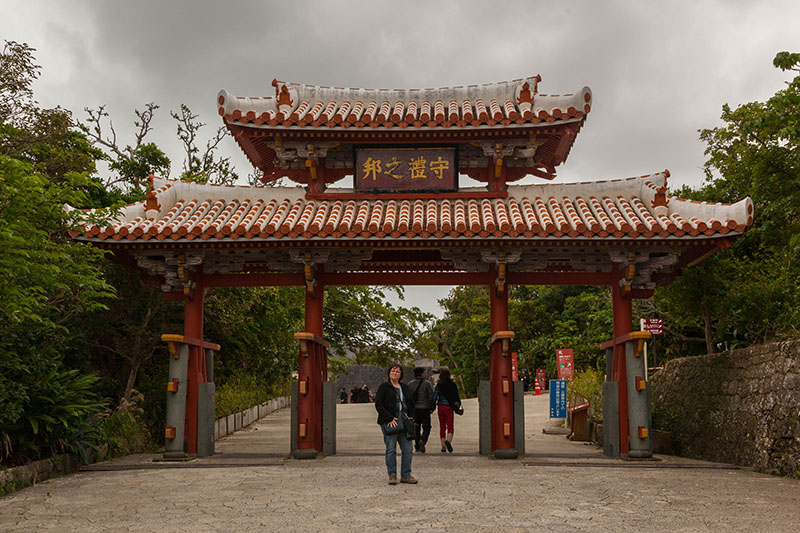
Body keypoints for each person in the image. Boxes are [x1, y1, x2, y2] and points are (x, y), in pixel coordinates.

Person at [375, 364, 417, 485]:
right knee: (391, 449)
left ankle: (406, 475)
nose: (395, 373)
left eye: (398, 371)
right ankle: (392, 475)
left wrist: (411, 416)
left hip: (404, 420)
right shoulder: (384, 387)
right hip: (390, 421)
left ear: (401, 374)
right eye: (393, 370)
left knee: (408, 448)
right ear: (389, 373)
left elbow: (411, 403)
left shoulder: (404, 387)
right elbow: (379, 404)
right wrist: (389, 418)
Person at [432, 368, 462, 453]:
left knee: (442, 426)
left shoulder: (439, 385)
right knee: (450, 426)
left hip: (440, 407)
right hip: (449, 407)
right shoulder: (453, 385)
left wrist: (432, 407)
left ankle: (443, 447)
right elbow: (456, 396)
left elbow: (434, 396)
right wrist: (457, 406)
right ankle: (448, 441)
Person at [408, 367, 434, 453]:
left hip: (414, 410)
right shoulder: (427, 384)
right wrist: (432, 407)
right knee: (427, 427)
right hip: (425, 409)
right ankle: (423, 440)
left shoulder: (410, 384)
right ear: (421, 374)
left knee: (416, 427)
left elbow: (408, 398)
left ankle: (417, 446)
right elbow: (431, 396)